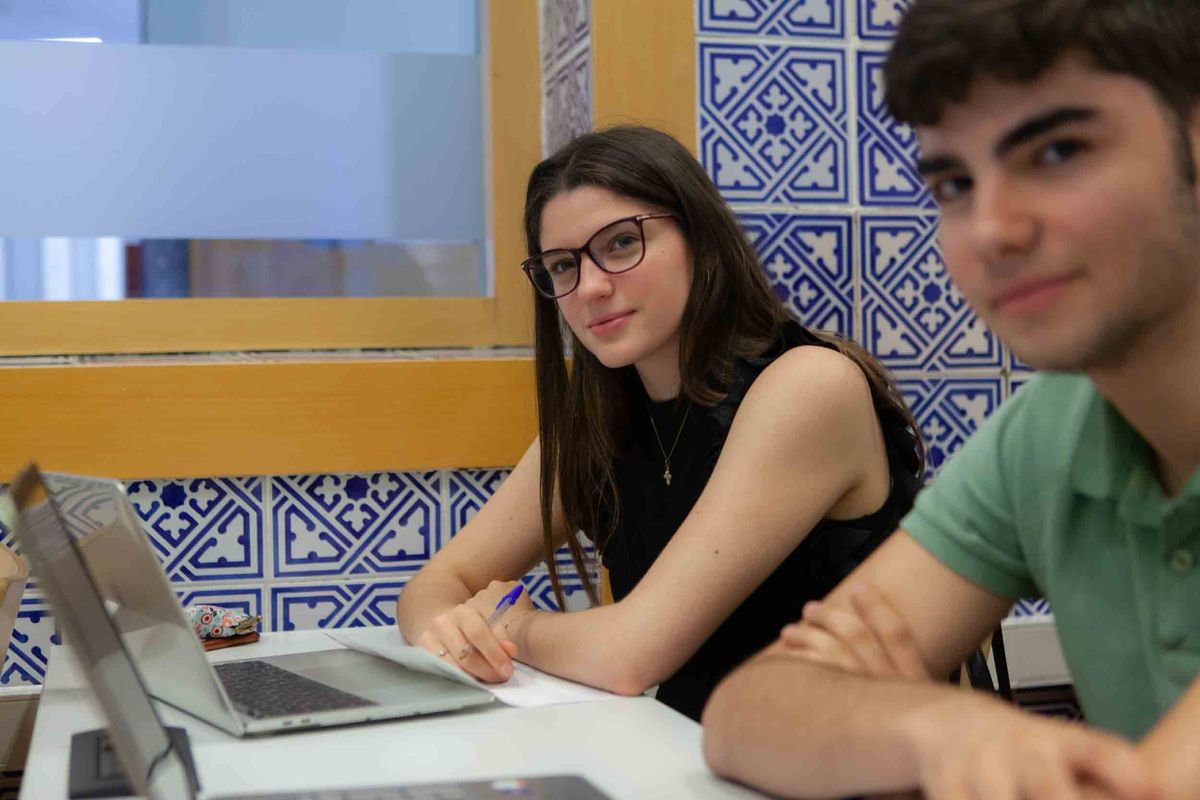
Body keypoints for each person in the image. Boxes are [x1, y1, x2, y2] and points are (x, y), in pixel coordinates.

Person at [702, 0, 1200, 797]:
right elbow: (747, 711)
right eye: (954, 183)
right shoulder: (1049, 430)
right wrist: (941, 727)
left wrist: (875, 721)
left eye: (1058, 149)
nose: (991, 229)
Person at [395, 125, 924, 721]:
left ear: (701, 237)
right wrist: (453, 631)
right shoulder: (599, 420)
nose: (590, 287)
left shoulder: (809, 387)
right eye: (562, 265)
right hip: (694, 763)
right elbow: (436, 582)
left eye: (621, 244)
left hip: (863, 768)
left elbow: (632, 655)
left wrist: (513, 623)